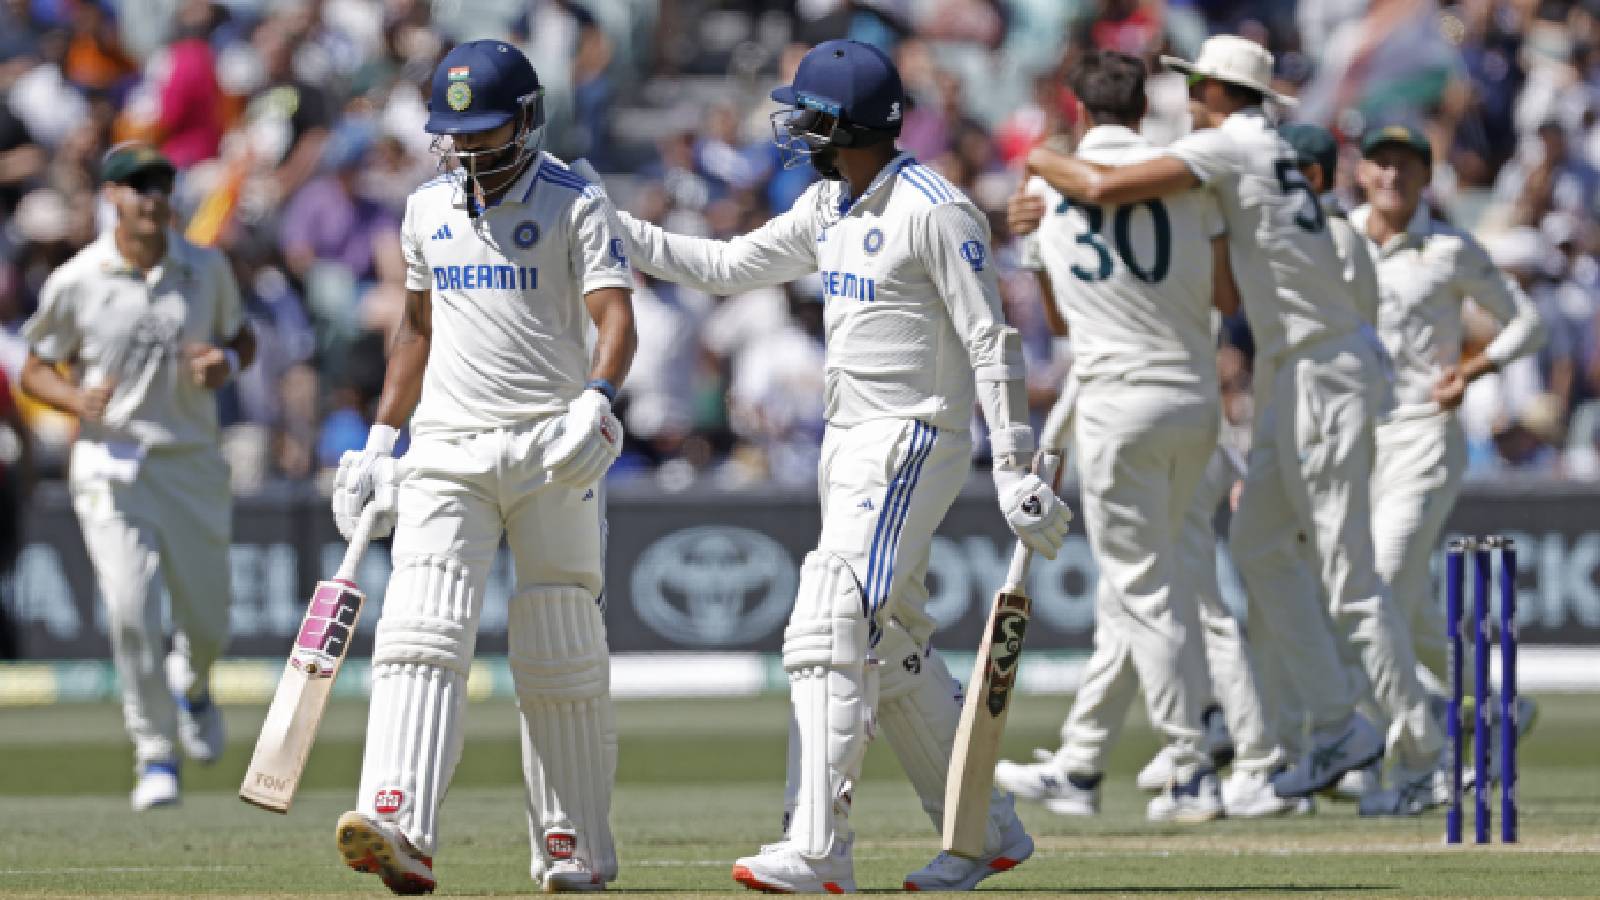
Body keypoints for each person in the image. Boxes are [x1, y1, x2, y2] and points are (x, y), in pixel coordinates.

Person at [608, 39, 1070, 894]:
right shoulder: (830, 205)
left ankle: (818, 847)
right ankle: (988, 831)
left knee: (829, 624)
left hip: (912, 437)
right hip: (847, 444)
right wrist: (614, 226)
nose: (794, 127)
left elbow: (989, 341)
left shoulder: (935, 209)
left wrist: (1012, 466)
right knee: (890, 649)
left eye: (809, 113)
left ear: (849, 123)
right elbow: (724, 266)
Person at [1018, 34, 1442, 801]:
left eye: (1196, 86)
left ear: (1218, 91)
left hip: (1321, 364)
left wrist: (1040, 166)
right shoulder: (1261, 147)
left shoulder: (1228, 148)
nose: (1185, 98)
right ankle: (1334, 726)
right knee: (1257, 549)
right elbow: (1218, 287)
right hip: (1291, 364)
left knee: (1347, 578)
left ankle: (1417, 756)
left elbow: (1103, 186)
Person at [328, 40, 636, 894]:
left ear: (529, 121)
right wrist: (379, 441)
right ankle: (397, 822)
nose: (469, 151)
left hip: (552, 444)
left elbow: (616, 317)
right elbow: (416, 331)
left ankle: (574, 843)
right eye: (455, 135)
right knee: (419, 630)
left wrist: (598, 397)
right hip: (448, 448)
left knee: (559, 643)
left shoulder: (577, 202)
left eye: (486, 133)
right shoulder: (427, 208)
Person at [993, 48, 1291, 823]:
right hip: (1197, 404)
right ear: (1143, 105)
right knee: (1186, 583)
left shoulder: (1048, 192)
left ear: (1080, 111)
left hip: (1117, 404)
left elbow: (1057, 322)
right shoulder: (1183, 177)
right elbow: (1226, 295)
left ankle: (1189, 768)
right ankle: (1137, 760)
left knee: (1142, 591)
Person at [19, 142, 255, 810]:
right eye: (136, 185)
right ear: (111, 197)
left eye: (160, 184)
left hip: (191, 462)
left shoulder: (205, 269)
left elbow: (243, 339)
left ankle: (197, 685)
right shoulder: (78, 278)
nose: (152, 196)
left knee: (207, 624)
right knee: (129, 610)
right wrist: (73, 401)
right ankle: (156, 753)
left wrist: (225, 367)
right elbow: (35, 366)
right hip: (111, 466)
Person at [1351, 123, 1545, 813]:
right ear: (1362, 171)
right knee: (1400, 606)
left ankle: (1414, 756)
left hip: (1426, 434)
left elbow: (1527, 323)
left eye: (1405, 165)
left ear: (1425, 178)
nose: (1392, 176)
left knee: (1375, 590)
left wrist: (1475, 367)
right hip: (1358, 444)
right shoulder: (1340, 241)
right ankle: (1499, 704)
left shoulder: (1449, 248)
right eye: (1380, 163)